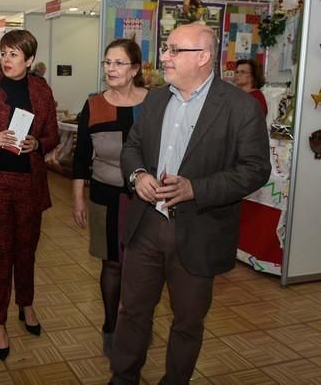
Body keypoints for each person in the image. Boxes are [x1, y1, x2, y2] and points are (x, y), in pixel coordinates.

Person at [110, 23, 270, 384]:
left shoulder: (240, 108)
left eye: (172, 50)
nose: (163, 57)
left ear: (202, 57)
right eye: (165, 49)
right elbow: (132, 146)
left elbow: (256, 170)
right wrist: (138, 175)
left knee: (187, 322)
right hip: (147, 226)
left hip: (199, 230)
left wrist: (197, 188)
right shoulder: (154, 99)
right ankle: (123, 377)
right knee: (132, 311)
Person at [0, 30, 59, 361]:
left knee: (27, 252)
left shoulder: (41, 90)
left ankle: (26, 304)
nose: (6, 59)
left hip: (30, 185)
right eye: (4, 53)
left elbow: (53, 134)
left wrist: (39, 144)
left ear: (29, 60)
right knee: (1, 255)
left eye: (14, 54)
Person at [71, 38, 147, 358]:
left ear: (135, 70)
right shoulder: (94, 105)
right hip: (105, 194)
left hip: (146, 199)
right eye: (107, 62)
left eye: (118, 63)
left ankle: (137, 327)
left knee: (143, 266)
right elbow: (81, 157)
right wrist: (77, 198)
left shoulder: (153, 104)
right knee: (112, 264)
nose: (110, 69)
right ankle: (111, 326)